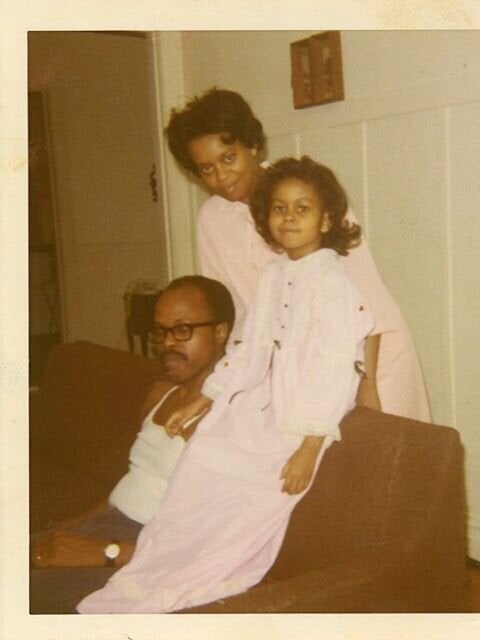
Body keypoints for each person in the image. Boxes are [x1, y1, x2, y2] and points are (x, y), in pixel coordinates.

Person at [76, 156, 374, 613]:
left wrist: (310, 447)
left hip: (302, 420)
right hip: (259, 404)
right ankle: (155, 565)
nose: (289, 218)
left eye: (302, 208)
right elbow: (251, 347)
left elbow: (336, 369)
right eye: (279, 208)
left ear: (328, 218)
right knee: (202, 455)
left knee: (242, 497)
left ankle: (196, 572)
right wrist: (205, 400)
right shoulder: (275, 276)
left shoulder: (334, 282)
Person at [165, 87, 431, 421]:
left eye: (228, 158)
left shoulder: (306, 192)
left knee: (385, 464)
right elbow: (229, 313)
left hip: (370, 357)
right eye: (206, 169)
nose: (221, 176)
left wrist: (369, 382)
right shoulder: (212, 220)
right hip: (295, 369)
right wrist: (218, 387)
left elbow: (365, 295)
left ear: (251, 145)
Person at [29, 276, 234, 612]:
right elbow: (132, 484)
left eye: (182, 329)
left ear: (221, 331)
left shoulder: (230, 418)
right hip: (109, 526)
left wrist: (100, 551)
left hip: (146, 554)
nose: (167, 342)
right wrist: (69, 528)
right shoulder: (161, 393)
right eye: (160, 330)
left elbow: (210, 547)